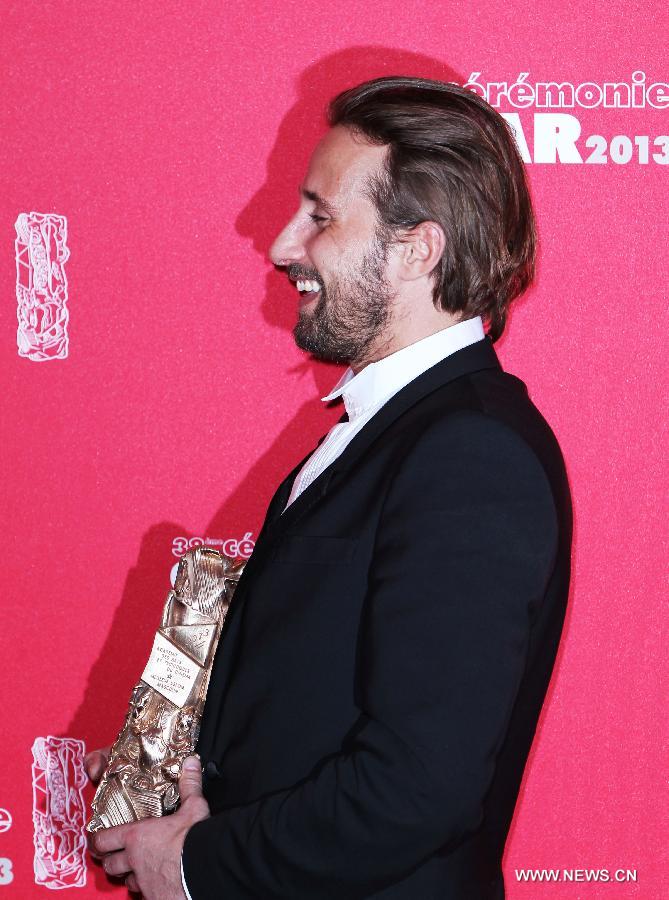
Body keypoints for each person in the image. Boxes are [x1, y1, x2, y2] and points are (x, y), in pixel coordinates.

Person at [87, 75, 573, 899]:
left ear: (417, 250)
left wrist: (199, 864)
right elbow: (315, 703)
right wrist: (178, 779)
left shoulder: (469, 453)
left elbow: (417, 788)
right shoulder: (393, 433)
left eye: (319, 216)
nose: (280, 245)